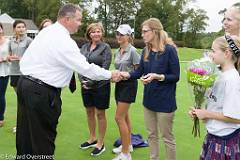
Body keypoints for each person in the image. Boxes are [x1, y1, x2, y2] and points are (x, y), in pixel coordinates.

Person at [17, 3, 120, 159]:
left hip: (25, 85)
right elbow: (84, 68)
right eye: (78, 20)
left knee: (26, 138)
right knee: (42, 142)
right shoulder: (63, 40)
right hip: (41, 92)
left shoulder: (47, 32)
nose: (80, 23)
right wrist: (110, 74)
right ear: (67, 19)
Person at [121, 18, 180, 160]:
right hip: (148, 101)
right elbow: (139, 72)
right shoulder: (146, 50)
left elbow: (175, 76)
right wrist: (125, 74)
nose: (142, 34)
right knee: (152, 135)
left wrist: (157, 76)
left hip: (165, 103)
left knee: (167, 138)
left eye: (145, 31)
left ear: (155, 31)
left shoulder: (170, 50)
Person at [189, 35, 240, 159]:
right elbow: (217, 106)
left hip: (225, 140)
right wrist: (199, 113)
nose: (211, 54)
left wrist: (206, 114)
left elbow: (236, 118)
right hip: (214, 136)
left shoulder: (232, 79)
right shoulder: (219, 74)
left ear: (227, 53)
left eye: (213, 51)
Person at [78, 22, 112, 156]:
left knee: (100, 114)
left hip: (101, 86)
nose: (96, 34)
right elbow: (79, 65)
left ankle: (100, 143)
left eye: (98, 31)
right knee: (89, 112)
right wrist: (83, 80)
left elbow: (105, 68)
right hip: (86, 85)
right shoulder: (84, 47)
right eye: (93, 31)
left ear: (102, 33)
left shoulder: (106, 48)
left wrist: (91, 82)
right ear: (89, 34)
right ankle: (92, 138)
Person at [112, 24, 140, 160]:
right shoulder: (117, 51)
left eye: (121, 34)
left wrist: (125, 74)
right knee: (125, 117)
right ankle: (127, 145)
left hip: (129, 86)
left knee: (118, 118)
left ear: (128, 36)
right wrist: (115, 76)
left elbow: (138, 72)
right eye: (117, 33)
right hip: (119, 85)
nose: (118, 36)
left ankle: (125, 154)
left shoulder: (133, 51)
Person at [8, 20, 32, 133]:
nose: (21, 29)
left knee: (25, 100)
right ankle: (22, 125)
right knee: (20, 100)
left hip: (25, 74)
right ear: (14, 29)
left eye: (23, 27)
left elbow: (33, 57)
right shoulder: (11, 41)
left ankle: (26, 126)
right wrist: (9, 58)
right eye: (18, 27)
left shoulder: (29, 41)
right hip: (14, 73)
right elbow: (9, 55)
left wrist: (20, 59)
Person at [0, 23, 10, 127]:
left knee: (0, 95)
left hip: (3, 72)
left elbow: (10, 56)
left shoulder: (8, 42)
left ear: (2, 29)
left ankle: (1, 118)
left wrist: (3, 59)